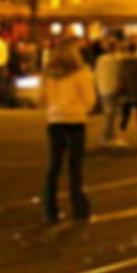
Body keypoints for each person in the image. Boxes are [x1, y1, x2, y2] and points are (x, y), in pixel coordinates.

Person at [38, 44, 97, 222]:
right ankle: (79, 208)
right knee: (75, 167)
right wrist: (80, 109)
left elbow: (42, 98)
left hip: (55, 121)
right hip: (75, 120)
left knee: (53, 167)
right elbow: (89, 99)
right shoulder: (81, 74)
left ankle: (50, 209)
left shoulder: (48, 75)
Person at [115, 42, 137, 146]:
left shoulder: (122, 62)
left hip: (126, 93)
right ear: (136, 50)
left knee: (125, 115)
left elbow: (120, 77)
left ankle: (122, 137)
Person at [94, 34, 125, 145]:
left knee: (109, 113)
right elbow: (121, 74)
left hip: (103, 88)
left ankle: (110, 136)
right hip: (113, 88)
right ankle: (107, 137)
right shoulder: (117, 59)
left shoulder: (101, 59)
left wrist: (98, 86)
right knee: (110, 114)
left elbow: (96, 74)